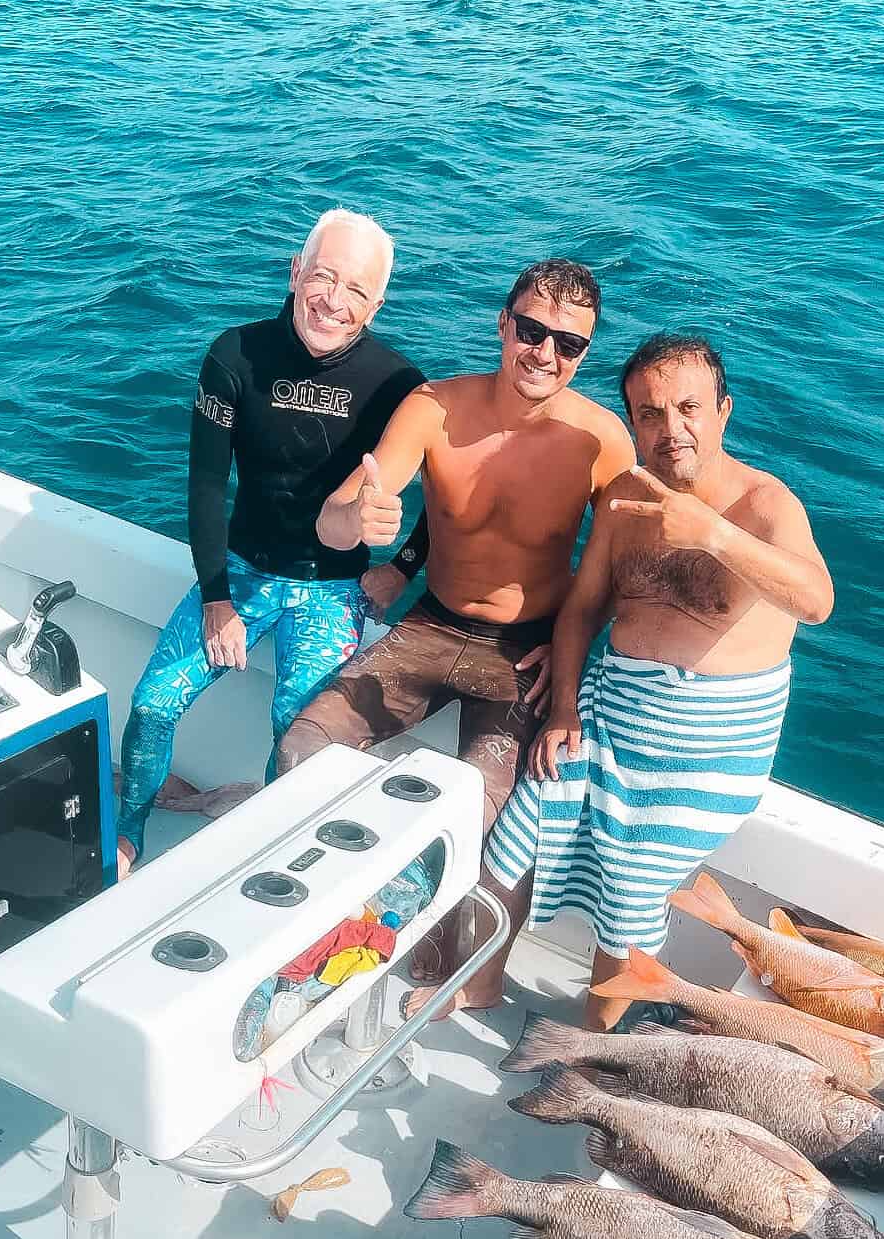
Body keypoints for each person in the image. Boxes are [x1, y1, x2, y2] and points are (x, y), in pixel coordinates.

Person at [276, 258, 635, 999]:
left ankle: (447, 969)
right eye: (532, 331)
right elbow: (340, 514)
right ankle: (325, 917)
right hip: (433, 625)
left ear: (584, 354)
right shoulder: (435, 407)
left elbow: (619, 572)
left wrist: (571, 651)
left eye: (568, 345)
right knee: (300, 747)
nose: (545, 354)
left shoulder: (602, 443)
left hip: (524, 650)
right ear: (503, 325)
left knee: (484, 809)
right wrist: (358, 520)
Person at [467, 333, 834, 1029]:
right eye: (649, 415)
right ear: (632, 423)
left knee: (632, 888)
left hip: (712, 741)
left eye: (688, 409)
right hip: (611, 711)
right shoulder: (628, 498)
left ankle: (594, 1043)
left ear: (724, 411)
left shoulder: (766, 507)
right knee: (516, 835)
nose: (671, 430)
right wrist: (565, 710)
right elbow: (579, 612)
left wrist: (713, 535)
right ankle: (476, 984)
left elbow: (817, 601)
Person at [115, 209, 428, 877]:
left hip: (331, 590)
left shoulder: (401, 385)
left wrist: (400, 565)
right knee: (151, 703)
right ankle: (128, 830)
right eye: (322, 277)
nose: (333, 302)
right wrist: (216, 598)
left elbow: (452, 502)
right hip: (240, 571)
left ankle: (261, 859)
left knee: (296, 737)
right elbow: (204, 486)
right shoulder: (236, 355)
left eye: (356, 290)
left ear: (377, 304)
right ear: (295, 272)